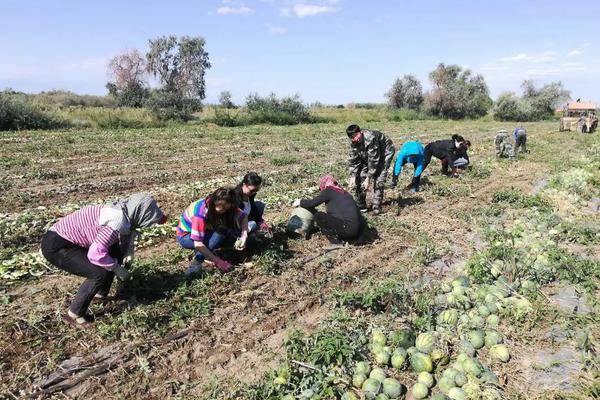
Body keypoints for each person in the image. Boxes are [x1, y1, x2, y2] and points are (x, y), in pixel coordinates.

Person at [40, 193, 167, 328]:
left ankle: (99, 295)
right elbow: (95, 253)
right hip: (57, 245)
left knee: (114, 254)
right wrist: (116, 268)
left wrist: (126, 253)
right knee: (99, 272)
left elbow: (125, 234)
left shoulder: (125, 212)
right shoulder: (116, 220)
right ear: (140, 214)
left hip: (71, 241)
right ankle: (74, 315)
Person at [176, 187, 248, 275]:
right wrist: (219, 262)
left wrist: (244, 235)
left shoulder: (226, 204)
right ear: (214, 201)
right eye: (222, 208)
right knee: (218, 235)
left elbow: (244, 216)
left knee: (227, 232)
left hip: (205, 231)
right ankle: (196, 263)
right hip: (186, 236)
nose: (224, 210)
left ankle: (210, 254)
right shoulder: (200, 213)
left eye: (226, 208)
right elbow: (198, 244)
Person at [292, 175, 364, 247]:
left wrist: (300, 201)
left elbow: (312, 203)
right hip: (357, 232)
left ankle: (336, 243)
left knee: (319, 216)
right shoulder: (344, 193)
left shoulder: (329, 190)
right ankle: (357, 239)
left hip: (348, 229)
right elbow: (358, 214)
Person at [346, 124, 395, 215]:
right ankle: (361, 205)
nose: (356, 138)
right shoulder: (353, 143)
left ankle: (376, 207)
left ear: (360, 132)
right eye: (353, 137)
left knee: (379, 178)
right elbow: (354, 160)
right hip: (368, 154)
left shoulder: (370, 138)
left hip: (385, 152)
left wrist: (368, 178)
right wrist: (352, 176)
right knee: (360, 176)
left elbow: (373, 161)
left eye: (357, 135)